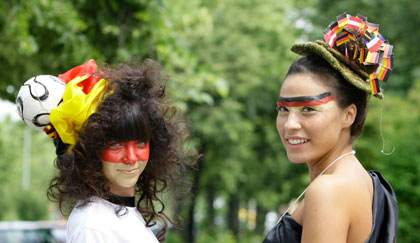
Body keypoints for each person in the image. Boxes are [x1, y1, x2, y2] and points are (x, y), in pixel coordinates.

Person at [263, 13, 398, 243]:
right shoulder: (369, 183)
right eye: (283, 109)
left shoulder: (328, 191)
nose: (290, 124)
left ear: (349, 115)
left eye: (308, 109)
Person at [45, 59, 191, 242]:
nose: (130, 158)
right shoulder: (93, 225)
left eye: (140, 143)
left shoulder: (118, 215)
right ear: (91, 150)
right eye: (115, 145)